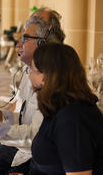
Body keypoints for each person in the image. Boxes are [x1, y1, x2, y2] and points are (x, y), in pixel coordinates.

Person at [0, 9, 65, 175]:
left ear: (43, 43)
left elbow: (38, 137)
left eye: (25, 38)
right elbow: (22, 116)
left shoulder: (52, 81)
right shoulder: (29, 70)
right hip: (16, 145)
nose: (18, 44)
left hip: (30, 156)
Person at [29, 43, 103, 175]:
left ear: (44, 77)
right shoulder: (59, 106)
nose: (28, 75)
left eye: (31, 69)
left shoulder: (72, 119)